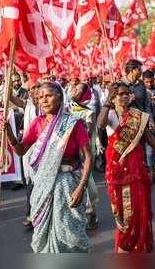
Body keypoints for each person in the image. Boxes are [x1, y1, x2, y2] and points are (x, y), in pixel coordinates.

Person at [2, 82, 92, 253]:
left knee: (70, 235)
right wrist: (9, 134)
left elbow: (88, 156)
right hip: (43, 185)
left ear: (60, 98)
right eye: (41, 96)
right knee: (44, 236)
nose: (44, 100)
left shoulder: (73, 122)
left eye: (49, 95)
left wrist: (82, 187)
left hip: (69, 185)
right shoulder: (37, 123)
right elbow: (21, 150)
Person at [97, 82, 155, 253]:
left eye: (127, 93)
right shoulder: (109, 114)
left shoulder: (137, 116)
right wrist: (108, 99)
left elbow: (147, 137)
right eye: (121, 94)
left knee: (139, 206)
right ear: (114, 97)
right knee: (122, 211)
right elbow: (100, 126)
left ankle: (139, 244)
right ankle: (125, 245)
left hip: (136, 168)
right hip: (117, 170)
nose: (124, 96)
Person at [9, 76, 40, 227]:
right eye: (31, 89)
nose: (34, 91)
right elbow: (9, 98)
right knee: (30, 182)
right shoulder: (26, 104)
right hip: (29, 149)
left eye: (37, 88)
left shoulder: (49, 105)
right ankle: (30, 213)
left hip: (45, 150)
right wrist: (8, 83)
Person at [69, 82, 99, 229]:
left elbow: (88, 131)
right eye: (74, 88)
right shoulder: (64, 108)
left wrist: (80, 129)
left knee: (90, 187)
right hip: (67, 157)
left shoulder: (88, 111)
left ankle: (91, 212)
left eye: (80, 90)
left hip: (84, 155)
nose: (76, 91)